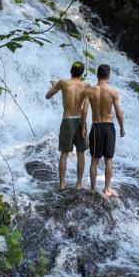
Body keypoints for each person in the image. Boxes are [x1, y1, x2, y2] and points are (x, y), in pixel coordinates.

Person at [82, 64, 125, 197]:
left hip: (96, 127)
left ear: (97, 74)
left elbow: (84, 110)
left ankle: (93, 188)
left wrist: (83, 126)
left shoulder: (89, 91)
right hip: (109, 127)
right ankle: (107, 189)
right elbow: (118, 114)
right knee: (109, 160)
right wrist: (122, 128)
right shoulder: (113, 92)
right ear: (108, 76)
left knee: (94, 160)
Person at [46, 61, 89, 190]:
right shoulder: (86, 85)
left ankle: (62, 184)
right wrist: (84, 127)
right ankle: (79, 184)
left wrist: (55, 86)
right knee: (81, 153)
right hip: (81, 120)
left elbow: (48, 96)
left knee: (64, 153)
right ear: (81, 74)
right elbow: (85, 109)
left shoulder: (63, 83)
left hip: (67, 120)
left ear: (71, 71)